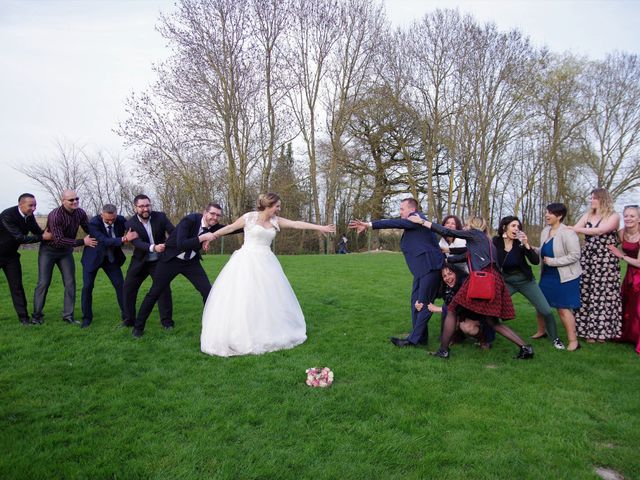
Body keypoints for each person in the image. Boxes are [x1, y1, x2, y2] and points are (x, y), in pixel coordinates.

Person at [200, 193, 335, 357]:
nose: (279, 209)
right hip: (246, 260)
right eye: (277, 206)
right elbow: (230, 228)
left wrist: (320, 227)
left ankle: (265, 330)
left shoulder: (275, 221)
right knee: (244, 296)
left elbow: (296, 224)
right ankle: (239, 333)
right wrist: (210, 237)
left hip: (267, 262)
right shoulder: (249, 217)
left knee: (267, 297)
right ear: (268, 206)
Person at [409, 215, 534, 359]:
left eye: (467, 224)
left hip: (481, 280)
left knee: (451, 309)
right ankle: (525, 348)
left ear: (473, 225)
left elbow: (449, 232)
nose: (465, 227)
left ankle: (443, 350)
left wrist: (423, 222)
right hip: (494, 282)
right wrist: (444, 257)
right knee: (492, 322)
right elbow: (464, 255)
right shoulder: (486, 242)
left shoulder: (475, 234)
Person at [349, 198, 445, 347]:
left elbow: (394, 223)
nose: (400, 212)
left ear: (411, 209)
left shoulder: (417, 218)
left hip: (430, 267)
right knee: (415, 303)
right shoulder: (414, 222)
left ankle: (413, 340)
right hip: (421, 270)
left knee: (424, 304)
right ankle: (420, 337)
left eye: (402, 209)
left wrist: (369, 224)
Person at [133, 202, 232, 338]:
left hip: (191, 262)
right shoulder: (189, 220)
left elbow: (231, 229)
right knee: (154, 292)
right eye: (212, 214)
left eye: (218, 215)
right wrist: (203, 237)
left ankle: (212, 326)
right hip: (171, 260)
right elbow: (181, 244)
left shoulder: (214, 226)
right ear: (205, 213)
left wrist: (252, 222)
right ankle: (138, 328)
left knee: (208, 292)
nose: (215, 218)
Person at [494, 215, 565, 349]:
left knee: (546, 310)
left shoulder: (520, 243)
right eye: (513, 226)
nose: (516, 229)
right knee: (491, 307)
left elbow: (535, 261)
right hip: (506, 281)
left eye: (518, 226)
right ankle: (487, 336)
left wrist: (526, 245)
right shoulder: (496, 241)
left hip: (525, 281)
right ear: (505, 227)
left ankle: (555, 338)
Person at [31, 190, 97, 325]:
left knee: (70, 283)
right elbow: (59, 239)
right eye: (71, 200)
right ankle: (37, 316)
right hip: (49, 251)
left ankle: (68, 316)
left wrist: (103, 235)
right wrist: (82, 242)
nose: (75, 202)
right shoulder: (55, 215)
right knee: (43, 283)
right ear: (63, 201)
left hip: (65, 252)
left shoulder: (80, 213)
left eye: (76, 199)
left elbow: (88, 228)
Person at [571, 188, 622, 343]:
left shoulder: (614, 216)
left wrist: (577, 229)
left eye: (594, 198)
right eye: (591, 197)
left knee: (603, 295)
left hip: (605, 261)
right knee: (586, 292)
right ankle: (587, 331)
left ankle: (602, 333)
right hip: (588, 259)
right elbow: (575, 229)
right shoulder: (587, 215)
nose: (591, 200)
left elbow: (601, 230)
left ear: (602, 199)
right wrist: (574, 229)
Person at [80, 204, 138, 328]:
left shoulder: (121, 220)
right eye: (107, 220)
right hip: (93, 258)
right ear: (102, 215)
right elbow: (104, 240)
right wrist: (124, 238)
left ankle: (128, 317)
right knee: (87, 287)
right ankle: (86, 318)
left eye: (113, 219)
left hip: (111, 259)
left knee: (121, 286)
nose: (111, 221)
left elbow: (133, 227)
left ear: (116, 214)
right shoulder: (94, 223)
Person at [122, 195, 175, 329]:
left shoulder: (160, 217)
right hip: (140, 261)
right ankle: (129, 321)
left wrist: (168, 245)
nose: (145, 209)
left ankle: (167, 322)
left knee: (163, 290)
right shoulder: (130, 223)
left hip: (159, 261)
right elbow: (137, 242)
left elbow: (173, 232)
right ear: (135, 208)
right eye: (141, 206)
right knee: (128, 289)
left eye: (147, 205)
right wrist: (153, 247)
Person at [0, 193, 52, 325]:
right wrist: (42, 238)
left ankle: (24, 319)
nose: (34, 208)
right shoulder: (7, 215)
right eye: (31, 205)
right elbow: (19, 238)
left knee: (17, 286)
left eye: (35, 205)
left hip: (11, 256)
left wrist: (52, 232)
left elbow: (38, 232)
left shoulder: (29, 217)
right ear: (20, 204)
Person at [538, 203, 583, 352]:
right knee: (541, 304)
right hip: (547, 275)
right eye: (546, 212)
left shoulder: (567, 232)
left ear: (559, 216)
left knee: (563, 309)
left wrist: (553, 262)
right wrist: (529, 247)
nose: (546, 215)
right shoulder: (545, 231)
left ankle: (573, 341)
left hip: (564, 276)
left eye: (550, 213)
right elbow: (543, 251)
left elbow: (575, 255)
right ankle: (541, 331)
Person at [416, 263, 491, 347]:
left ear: (457, 273)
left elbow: (458, 305)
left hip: (477, 317)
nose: (447, 278)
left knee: (466, 327)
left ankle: (483, 340)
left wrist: (438, 309)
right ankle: (457, 337)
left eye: (450, 274)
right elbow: (431, 295)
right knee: (451, 320)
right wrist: (420, 302)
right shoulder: (445, 287)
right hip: (462, 315)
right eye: (444, 276)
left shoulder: (465, 283)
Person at [608, 205, 640, 355]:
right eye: (626, 215)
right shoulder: (621, 233)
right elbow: (609, 244)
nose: (628, 218)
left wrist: (621, 256)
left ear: (639, 218)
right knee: (628, 306)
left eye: (632, 216)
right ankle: (627, 335)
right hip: (630, 275)